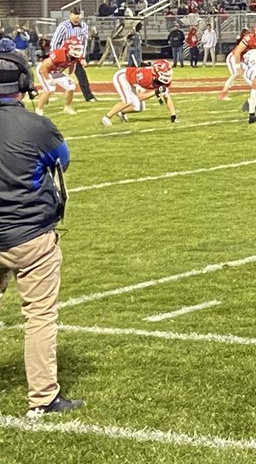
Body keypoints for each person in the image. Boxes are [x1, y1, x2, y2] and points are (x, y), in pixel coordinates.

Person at [0, 41, 83, 417]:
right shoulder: (36, 126)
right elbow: (61, 160)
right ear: (23, 83)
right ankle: (42, 397)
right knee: (40, 316)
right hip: (30, 234)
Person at [102, 60, 177, 125]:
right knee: (128, 101)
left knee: (139, 107)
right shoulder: (145, 78)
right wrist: (156, 92)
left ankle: (121, 112)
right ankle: (106, 118)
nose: (168, 75)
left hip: (132, 81)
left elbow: (166, 96)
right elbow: (139, 97)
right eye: (165, 73)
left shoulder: (162, 80)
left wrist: (173, 115)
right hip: (123, 77)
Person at [50, 7, 95, 103]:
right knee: (52, 75)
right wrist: (54, 56)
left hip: (75, 55)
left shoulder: (83, 26)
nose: (76, 17)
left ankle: (89, 96)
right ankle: (46, 94)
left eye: (78, 15)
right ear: (70, 15)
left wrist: (82, 57)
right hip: (62, 55)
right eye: (75, 14)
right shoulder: (63, 26)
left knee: (81, 75)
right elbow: (55, 42)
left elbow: (83, 42)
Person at [33, 40, 84, 117]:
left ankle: (67, 107)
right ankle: (39, 109)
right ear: (68, 48)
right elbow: (44, 66)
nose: (77, 51)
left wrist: (70, 76)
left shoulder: (75, 57)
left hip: (56, 71)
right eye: (75, 49)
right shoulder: (60, 54)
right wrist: (48, 79)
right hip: (43, 70)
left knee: (71, 86)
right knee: (50, 88)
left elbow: (72, 65)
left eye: (78, 49)